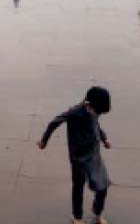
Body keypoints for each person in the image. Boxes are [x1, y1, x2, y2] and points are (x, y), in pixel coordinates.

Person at [38, 86, 112, 224]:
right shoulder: (75, 112)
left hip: (94, 155)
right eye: (97, 111)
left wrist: (104, 138)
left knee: (103, 186)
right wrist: (44, 140)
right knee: (78, 186)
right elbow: (54, 122)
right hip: (78, 157)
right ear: (88, 104)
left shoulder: (94, 111)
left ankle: (97, 213)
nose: (98, 114)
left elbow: (96, 125)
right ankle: (77, 217)